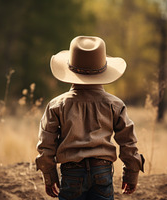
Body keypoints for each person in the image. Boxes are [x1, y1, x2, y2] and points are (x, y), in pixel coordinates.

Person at [36, 36, 144, 200]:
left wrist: (50, 176)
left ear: (70, 70)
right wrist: (131, 173)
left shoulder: (57, 105)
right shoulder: (115, 104)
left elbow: (46, 144)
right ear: (103, 70)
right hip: (102, 171)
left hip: (71, 171)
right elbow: (128, 142)